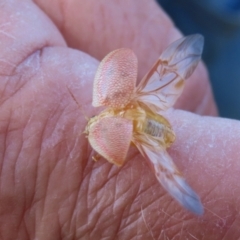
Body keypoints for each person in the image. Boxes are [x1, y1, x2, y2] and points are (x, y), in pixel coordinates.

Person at [0, 1, 238, 239]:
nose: (97, 119)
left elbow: (160, 169)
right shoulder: (128, 106)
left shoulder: (137, 137)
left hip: (161, 133)